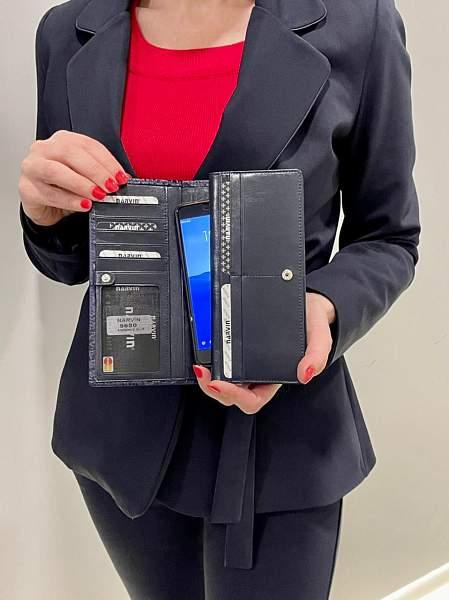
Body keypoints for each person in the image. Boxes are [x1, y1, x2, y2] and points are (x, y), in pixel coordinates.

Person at [17, 0, 420, 598]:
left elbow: (390, 236)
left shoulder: (361, 27)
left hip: (280, 430)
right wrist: (43, 215)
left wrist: (322, 306)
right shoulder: (67, 32)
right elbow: (71, 262)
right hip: (122, 428)